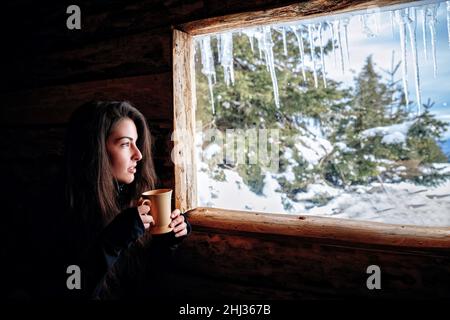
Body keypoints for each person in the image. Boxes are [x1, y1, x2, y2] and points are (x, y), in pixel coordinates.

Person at [61, 100, 191, 299]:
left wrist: (167, 241)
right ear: (95, 151)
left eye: (136, 143)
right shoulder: (60, 209)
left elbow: (138, 285)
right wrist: (114, 240)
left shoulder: (128, 200)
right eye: (124, 144)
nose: (138, 154)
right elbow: (71, 287)